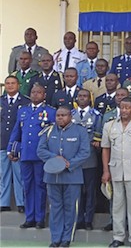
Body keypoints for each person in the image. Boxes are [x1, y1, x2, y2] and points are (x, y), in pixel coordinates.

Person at [37, 106, 90, 247]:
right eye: (58, 115)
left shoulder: (80, 131)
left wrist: (69, 164)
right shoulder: (48, 131)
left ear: (70, 116)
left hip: (72, 176)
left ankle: (66, 239)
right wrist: (56, 159)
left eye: (63, 115)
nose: (60, 118)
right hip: (52, 177)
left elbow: (85, 153)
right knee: (55, 208)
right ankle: (55, 239)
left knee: (71, 208)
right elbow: (40, 150)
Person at [101, 97, 131, 248]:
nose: (124, 110)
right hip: (115, 170)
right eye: (122, 107)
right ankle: (118, 237)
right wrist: (105, 171)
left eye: (127, 107)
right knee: (117, 206)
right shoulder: (109, 126)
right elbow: (105, 149)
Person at [8, 84, 56, 229]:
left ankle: (40, 218)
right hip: (25, 154)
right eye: (33, 92)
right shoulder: (23, 110)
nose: (35, 95)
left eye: (39, 92)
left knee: (40, 186)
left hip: (41, 156)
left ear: (44, 95)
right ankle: (29, 217)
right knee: (27, 186)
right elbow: (17, 130)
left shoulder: (50, 111)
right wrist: (11, 148)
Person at [73, 89, 102, 231]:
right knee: (77, 191)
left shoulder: (96, 115)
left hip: (90, 158)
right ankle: (78, 219)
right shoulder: (71, 115)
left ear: (89, 99)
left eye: (85, 96)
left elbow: (98, 137)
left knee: (90, 191)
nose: (82, 98)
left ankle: (88, 220)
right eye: (80, 96)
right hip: (74, 160)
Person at [1, 76, 30, 213]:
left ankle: (21, 203)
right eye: (7, 83)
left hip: (17, 144)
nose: (10, 86)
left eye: (13, 83)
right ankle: (4, 203)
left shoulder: (25, 102)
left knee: (19, 175)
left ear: (18, 85)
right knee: (3, 175)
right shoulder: (0, 101)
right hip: (1, 142)